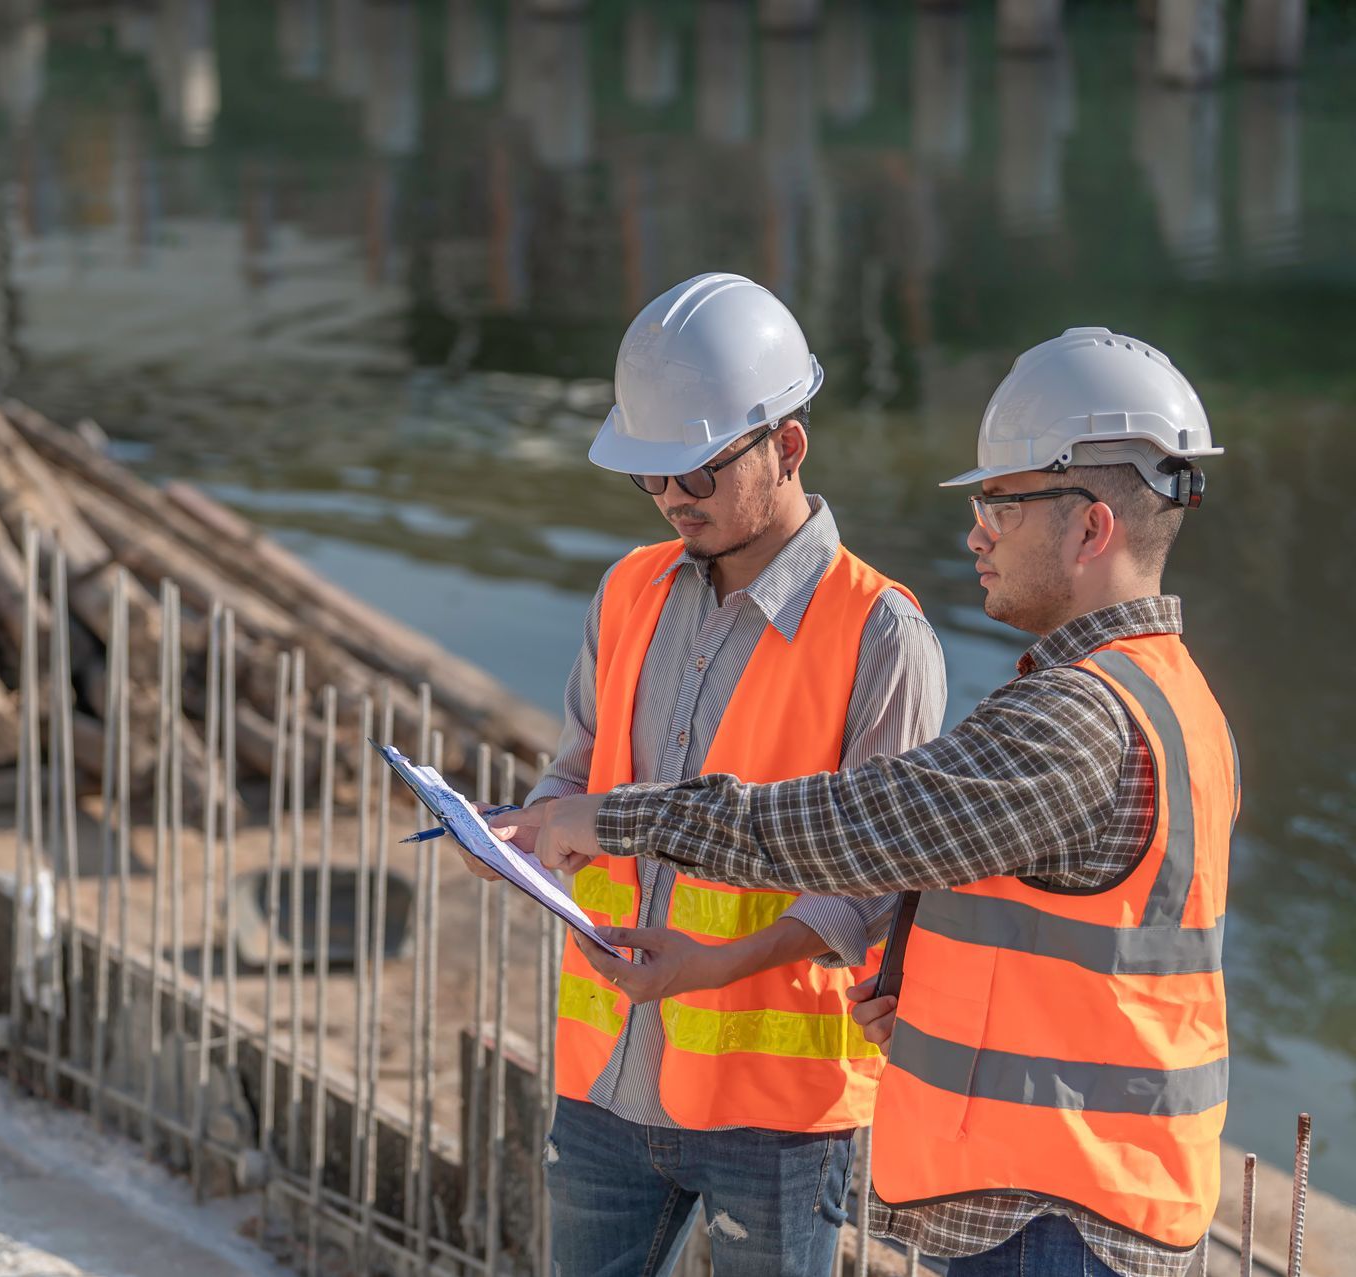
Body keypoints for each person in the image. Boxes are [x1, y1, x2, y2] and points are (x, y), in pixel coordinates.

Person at [492, 326, 1233, 1277]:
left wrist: (615, 817)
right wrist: (919, 992)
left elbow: (854, 827)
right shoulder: (1165, 695)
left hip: (1064, 1210)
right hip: (1077, 1190)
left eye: (1001, 505)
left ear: (1092, 527)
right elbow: (1065, 925)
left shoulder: (1079, 718)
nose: (976, 532)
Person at [454, 273, 946, 1277]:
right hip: (606, 1079)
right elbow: (580, 769)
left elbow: (873, 880)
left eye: (700, 474)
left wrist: (708, 966)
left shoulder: (879, 631)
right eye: (653, 478)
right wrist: (530, 831)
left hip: (778, 1110)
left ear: (788, 446)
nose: (674, 499)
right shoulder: (629, 587)